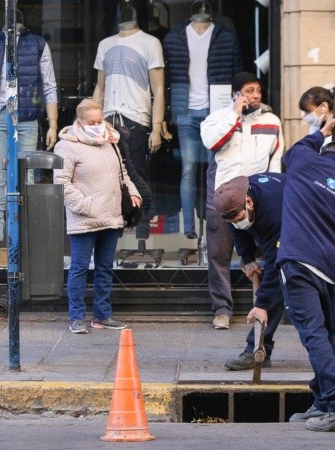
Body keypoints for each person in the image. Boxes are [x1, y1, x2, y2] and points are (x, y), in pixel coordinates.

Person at [215, 174, 335, 378]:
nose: (238, 223)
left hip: (321, 238)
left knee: (331, 295)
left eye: (239, 219)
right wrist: (248, 259)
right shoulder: (237, 198)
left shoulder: (274, 210)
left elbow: (277, 265)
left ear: (248, 202)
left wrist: (261, 304)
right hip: (288, 238)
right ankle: (258, 348)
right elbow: (238, 229)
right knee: (272, 293)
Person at [276, 116, 335, 431]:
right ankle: (322, 402)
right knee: (323, 336)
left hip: (299, 262)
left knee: (314, 335)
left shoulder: (302, 163)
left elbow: (297, 148)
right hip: (331, 267)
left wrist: (322, 131)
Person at [200, 72, 284, 330]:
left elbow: (276, 160)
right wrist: (235, 114)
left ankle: (265, 305)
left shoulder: (271, 121)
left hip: (256, 197)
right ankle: (222, 309)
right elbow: (213, 142)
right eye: (249, 91)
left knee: (267, 251)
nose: (255, 95)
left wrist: (274, 193)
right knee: (219, 254)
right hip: (222, 197)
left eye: (258, 90)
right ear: (236, 94)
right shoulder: (216, 119)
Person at [0, 21, 59, 256]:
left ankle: (23, 237)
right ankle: (0, 240)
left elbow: (49, 85)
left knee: (25, 177)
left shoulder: (37, 44)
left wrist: (53, 123)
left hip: (27, 118)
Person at [53, 99, 142, 334]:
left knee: (105, 267)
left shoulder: (110, 142)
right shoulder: (66, 146)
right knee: (79, 268)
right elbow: (61, 184)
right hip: (85, 217)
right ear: (79, 122)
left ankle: (103, 315)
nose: (97, 125)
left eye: (100, 120)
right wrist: (87, 206)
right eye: (91, 122)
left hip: (111, 215)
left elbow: (122, 172)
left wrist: (133, 192)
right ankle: (77, 317)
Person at [163, 4, 243, 239]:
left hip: (215, 111)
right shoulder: (174, 38)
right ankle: (188, 226)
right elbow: (165, 78)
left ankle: (213, 222)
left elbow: (237, 72)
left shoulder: (226, 36)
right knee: (188, 168)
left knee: (214, 169)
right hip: (185, 110)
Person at [93, 8, 166, 241]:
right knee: (107, 176)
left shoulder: (150, 43)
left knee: (137, 175)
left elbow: (158, 89)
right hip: (108, 119)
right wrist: (91, 120)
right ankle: (117, 226)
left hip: (135, 119)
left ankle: (143, 228)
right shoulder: (105, 45)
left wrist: (156, 127)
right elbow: (100, 88)